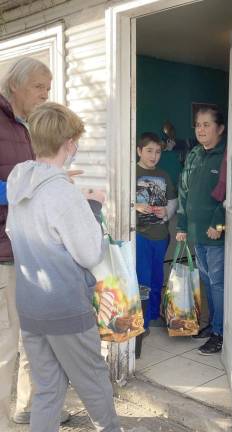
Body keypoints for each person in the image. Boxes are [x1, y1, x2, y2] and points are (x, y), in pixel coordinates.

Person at [6, 102, 121, 432]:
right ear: (69, 143)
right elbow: (89, 254)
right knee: (93, 382)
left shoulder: (19, 186)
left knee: (47, 389)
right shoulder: (63, 192)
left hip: (31, 307)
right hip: (66, 308)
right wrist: (94, 206)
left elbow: (19, 232)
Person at [0, 57, 72, 429]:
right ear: (15, 85)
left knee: (36, 337)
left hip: (32, 250)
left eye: (49, 87)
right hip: (4, 254)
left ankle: (31, 408)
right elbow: (17, 186)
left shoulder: (28, 127)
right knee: (4, 347)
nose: (46, 94)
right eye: (39, 87)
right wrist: (29, 186)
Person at [176, 105, 226, 355]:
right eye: (198, 124)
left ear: (220, 129)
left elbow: (230, 194)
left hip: (215, 235)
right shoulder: (195, 154)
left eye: (207, 124)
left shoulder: (226, 155)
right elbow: (183, 190)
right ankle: (212, 325)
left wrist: (219, 223)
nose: (201, 129)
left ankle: (219, 333)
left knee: (217, 284)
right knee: (207, 281)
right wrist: (182, 225)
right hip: (196, 233)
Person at [136, 132, 177, 330]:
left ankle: (153, 315)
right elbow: (117, 200)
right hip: (139, 235)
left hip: (160, 235)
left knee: (157, 276)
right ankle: (141, 319)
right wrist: (135, 205)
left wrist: (166, 212)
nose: (154, 156)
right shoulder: (131, 173)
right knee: (142, 276)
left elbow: (173, 201)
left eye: (158, 152)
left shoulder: (164, 175)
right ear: (139, 151)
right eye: (149, 151)